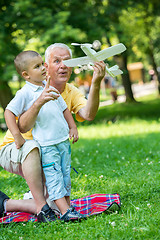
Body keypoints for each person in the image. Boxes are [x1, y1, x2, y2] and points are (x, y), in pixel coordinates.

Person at [0, 43, 105, 219]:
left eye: (67, 61)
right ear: (47, 66)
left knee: (59, 193)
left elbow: (87, 114)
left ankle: (34, 202)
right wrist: (38, 102)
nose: (63, 66)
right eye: (56, 61)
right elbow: (22, 126)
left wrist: (95, 82)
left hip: (49, 148)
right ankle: (39, 206)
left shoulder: (68, 91)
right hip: (17, 149)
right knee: (33, 148)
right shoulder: (28, 92)